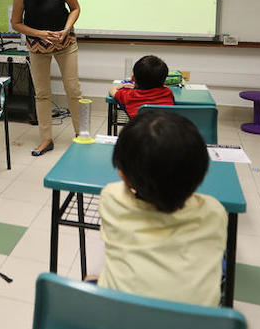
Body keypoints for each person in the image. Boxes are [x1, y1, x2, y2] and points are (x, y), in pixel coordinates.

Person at [96, 109, 226, 306]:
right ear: (201, 175)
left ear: (122, 174)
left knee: (91, 279)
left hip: (117, 325)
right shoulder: (215, 212)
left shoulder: (111, 198)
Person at [10, 0, 83, 156]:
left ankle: (81, 135)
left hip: (65, 43)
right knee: (42, 93)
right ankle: (46, 139)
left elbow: (75, 8)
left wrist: (66, 29)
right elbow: (16, 23)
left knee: (73, 89)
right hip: (37, 46)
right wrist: (40, 34)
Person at [108, 55, 175, 118]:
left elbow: (112, 90)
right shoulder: (168, 93)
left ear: (133, 79)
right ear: (164, 81)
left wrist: (123, 86)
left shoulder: (129, 95)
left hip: (139, 129)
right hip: (166, 128)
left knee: (123, 103)